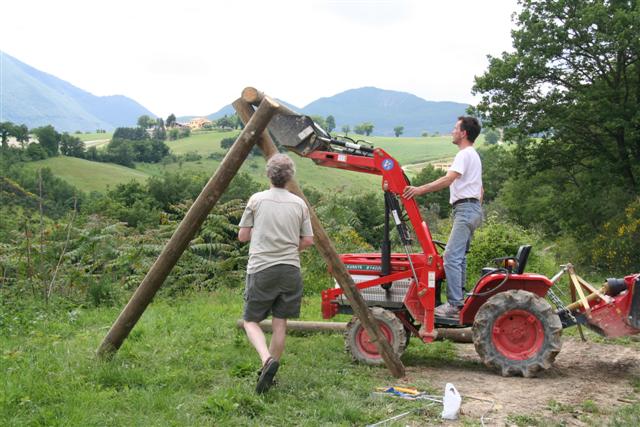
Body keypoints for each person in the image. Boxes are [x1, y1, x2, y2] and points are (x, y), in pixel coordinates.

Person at [238, 153, 314, 393]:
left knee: (250, 321)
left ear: (268, 174)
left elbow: (243, 236)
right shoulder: (299, 203)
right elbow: (309, 240)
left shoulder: (257, 200)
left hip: (262, 268)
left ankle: (266, 360)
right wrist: (291, 246)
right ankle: (267, 374)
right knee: (280, 324)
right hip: (291, 269)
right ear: (290, 177)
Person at [403, 116, 483, 318]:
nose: (452, 131)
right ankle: (460, 302)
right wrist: (473, 208)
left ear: (464, 133)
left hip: (465, 209)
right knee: (460, 257)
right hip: (472, 209)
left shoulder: (464, 155)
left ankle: (454, 306)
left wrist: (419, 190)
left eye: (455, 128)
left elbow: (448, 180)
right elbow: (481, 189)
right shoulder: (474, 155)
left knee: (450, 257)